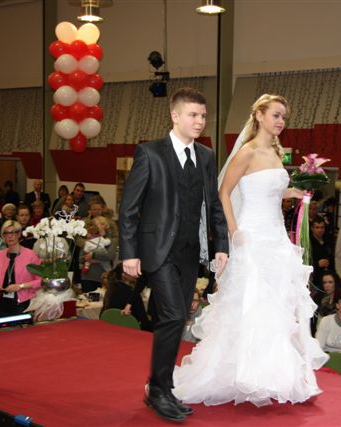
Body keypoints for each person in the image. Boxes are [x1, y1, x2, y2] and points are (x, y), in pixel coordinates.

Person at [172, 93, 328, 408]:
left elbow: (270, 190)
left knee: (276, 305)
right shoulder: (247, 151)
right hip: (251, 235)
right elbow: (223, 192)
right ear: (259, 115)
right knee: (250, 303)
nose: (281, 121)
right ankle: (241, 373)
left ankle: (271, 375)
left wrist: (295, 191)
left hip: (276, 236)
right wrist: (233, 230)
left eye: (284, 117)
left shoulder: (275, 152)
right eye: (276, 115)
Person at [119, 87, 229, 422]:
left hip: (191, 251)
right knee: (171, 316)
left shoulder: (206, 156)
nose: (199, 121)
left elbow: (214, 204)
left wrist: (221, 245)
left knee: (178, 318)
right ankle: (158, 390)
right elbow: (129, 208)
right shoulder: (150, 153)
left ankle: (163, 387)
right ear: (175, 115)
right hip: (158, 250)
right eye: (193, 115)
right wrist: (129, 253)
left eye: (203, 116)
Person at [0, 220, 41, 318]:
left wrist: (20, 286)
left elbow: (40, 281)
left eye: (13, 232)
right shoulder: (0, 254)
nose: (10, 236)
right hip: (0, 303)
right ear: (3, 236)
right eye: (6, 233)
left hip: (22, 304)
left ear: (19, 234)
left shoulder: (30, 255)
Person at [79, 216, 115, 293]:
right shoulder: (88, 240)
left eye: (100, 224)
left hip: (104, 277)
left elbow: (110, 256)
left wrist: (93, 254)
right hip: (87, 276)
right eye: (94, 225)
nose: (97, 227)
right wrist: (84, 258)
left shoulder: (110, 240)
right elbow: (80, 258)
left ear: (105, 226)